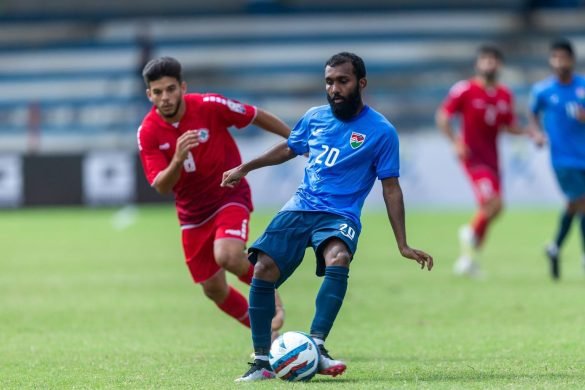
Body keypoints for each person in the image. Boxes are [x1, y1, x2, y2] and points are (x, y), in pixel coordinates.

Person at [221, 52, 434, 382]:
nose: (334, 88)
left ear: (361, 83)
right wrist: (246, 167)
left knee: (339, 257)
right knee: (262, 268)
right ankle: (262, 361)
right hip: (300, 206)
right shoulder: (314, 117)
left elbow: (391, 187)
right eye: (329, 82)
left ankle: (317, 346)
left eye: (342, 81)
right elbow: (290, 147)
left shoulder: (382, 131)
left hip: (339, 214)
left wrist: (402, 244)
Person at [137, 57, 289, 338]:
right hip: (192, 215)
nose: (165, 97)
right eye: (158, 92)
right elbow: (161, 185)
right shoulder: (148, 132)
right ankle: (269, 336)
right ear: (150, 95)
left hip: (228, 194)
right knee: (213, 288)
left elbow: (254, 114)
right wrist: (178, 160)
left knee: (228, 255)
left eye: (171, 89)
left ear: (182, 87)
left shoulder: (209, 105)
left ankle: (269, 291)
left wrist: (295, 138)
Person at [436, 44, 528, 277]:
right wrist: (456, 142)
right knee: (493, 203)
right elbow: (443, 116)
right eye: (485, 59)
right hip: (473, 158)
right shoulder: (464, 90)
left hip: (493, 160)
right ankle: (468, 237)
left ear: (499, 64)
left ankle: (469, 255)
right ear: (478, 64)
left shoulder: (505, 94)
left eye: (493, 59)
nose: (489, 63)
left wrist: (530, 132)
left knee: (496, 208)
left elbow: (509, 125)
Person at [528, 38, 585, 280]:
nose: (560, 62)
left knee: (574, 205)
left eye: (564, 57)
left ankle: (554, 248)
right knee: (583, 203)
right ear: (551, 61)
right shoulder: (543, 90)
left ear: (572, 59)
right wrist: (537, 133)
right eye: (555, 57)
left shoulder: (583, 86)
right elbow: (532, 115)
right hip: (563, 159)